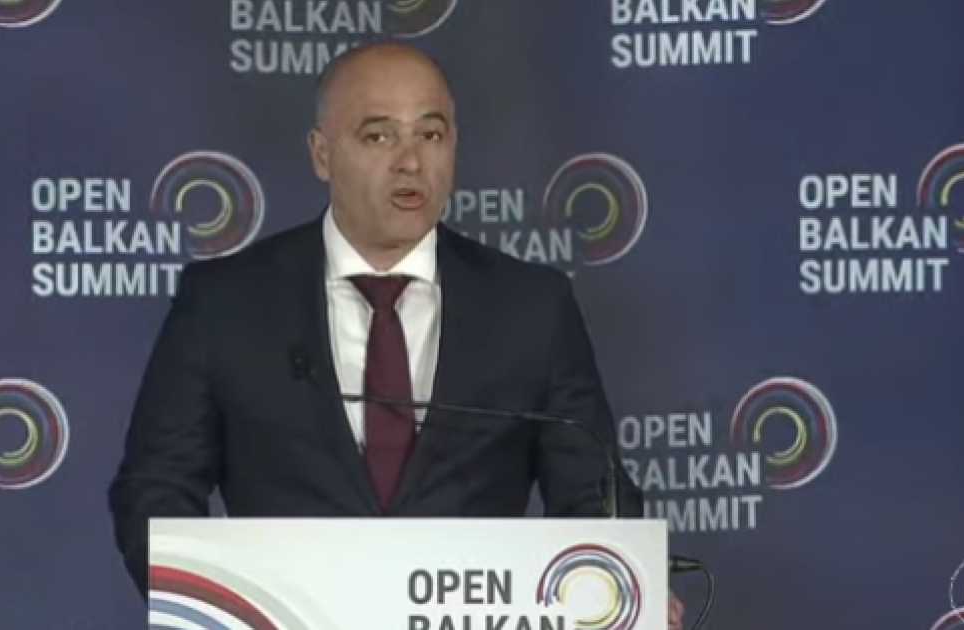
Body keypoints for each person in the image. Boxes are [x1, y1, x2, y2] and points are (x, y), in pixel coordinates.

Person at [108, 41, 683, 630]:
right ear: (322, 154)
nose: (410, 162)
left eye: (430, 135)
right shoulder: (226, 303)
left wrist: (623, 585)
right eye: (378, 136)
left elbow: (593, 492)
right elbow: (156, 489)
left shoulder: (531, 306)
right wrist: (214, 607)